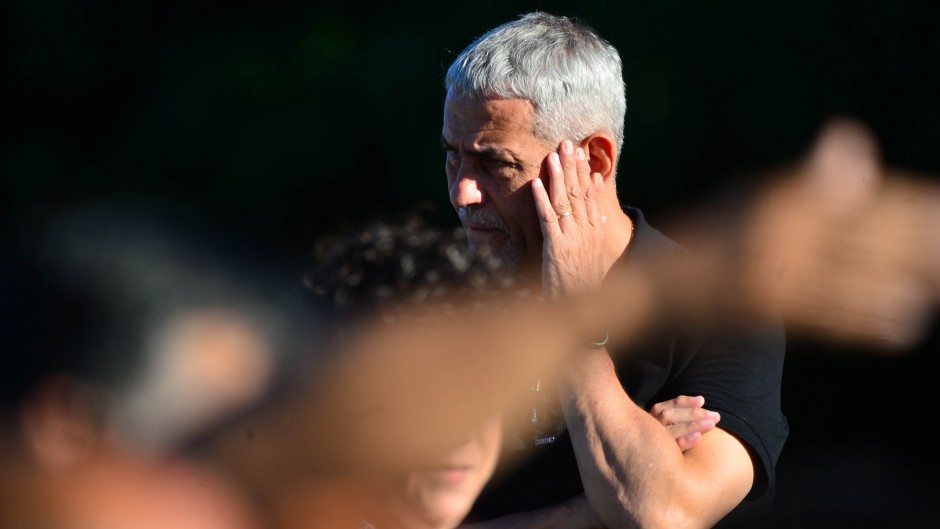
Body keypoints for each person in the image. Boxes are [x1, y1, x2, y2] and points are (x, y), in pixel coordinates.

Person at [440, 12, 789, 529]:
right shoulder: (435, 305)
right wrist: (591, 510)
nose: (462, 192)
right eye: (452, 156)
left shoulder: (719, 313)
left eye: (497, 164)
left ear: (596, 161)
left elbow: (660, 513)